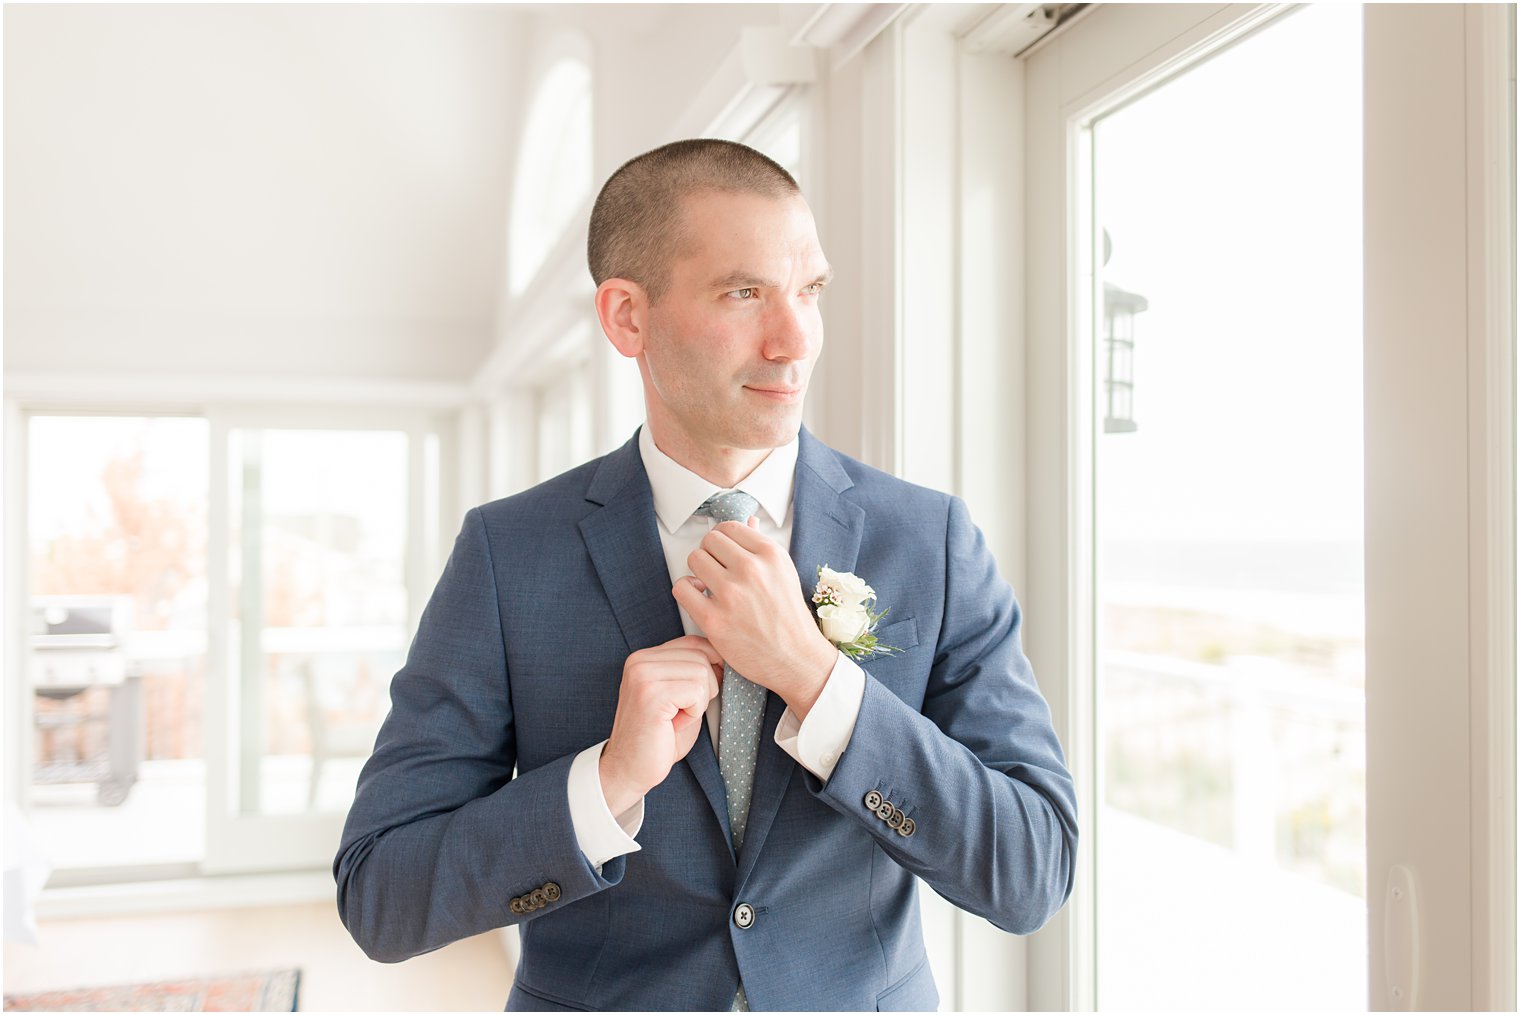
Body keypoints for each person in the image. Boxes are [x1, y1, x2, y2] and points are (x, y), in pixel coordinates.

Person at [335, 138, 1077, 1012]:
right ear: (627, 318)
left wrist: (817, 678)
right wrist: (606, 780)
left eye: (810, 290)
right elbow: (381, 893)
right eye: (744, 292)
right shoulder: (508, 555)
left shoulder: (931, 539)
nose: (794, 337)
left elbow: (1033, 869)